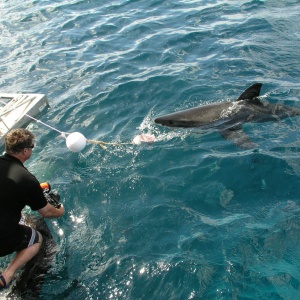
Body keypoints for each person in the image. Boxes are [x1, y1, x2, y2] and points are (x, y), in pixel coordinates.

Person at [0, 128, 65, 289]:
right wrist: (60, 210)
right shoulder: (26, 179)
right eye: (32, 146)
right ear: (25, 151)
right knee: (36, 239)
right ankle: (7, 275)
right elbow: (47, 212)